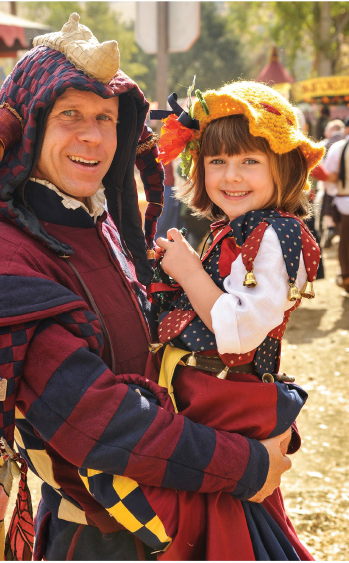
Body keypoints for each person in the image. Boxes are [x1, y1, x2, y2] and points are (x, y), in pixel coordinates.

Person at [0, 16, 289, 562]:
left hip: (168, 511)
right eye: (70, 116)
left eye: (106, 118)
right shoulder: (0, 260)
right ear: (32, 126)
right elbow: (98, 421)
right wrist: (245, 464)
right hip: (100, 539)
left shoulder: (96, 224)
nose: (92, 136)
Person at [76, 81, 325, 560]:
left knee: (205, 504)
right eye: (217, 162)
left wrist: (189, 272)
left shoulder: (277, 235)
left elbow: (238, 333)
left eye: (250, 161)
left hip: (224, 393)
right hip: (202, 388)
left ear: (285, 164)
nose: (231, 176)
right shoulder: (238, 229)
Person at [323, 116, 349, 291]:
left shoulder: (339, 148)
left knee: (346, 242)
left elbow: (329, 177)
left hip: (345, 201)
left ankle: (346, 277)